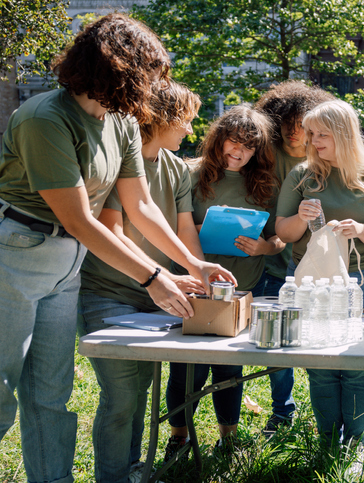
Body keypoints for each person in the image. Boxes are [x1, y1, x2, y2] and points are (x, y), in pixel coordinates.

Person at [0, 14, 235, 483]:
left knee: (50, 393)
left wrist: (192, 262)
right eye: (150, 73)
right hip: (17, 253)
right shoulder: (45, 118)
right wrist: (153, 277)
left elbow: (141, 204)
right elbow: (79, 218)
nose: (155, 85)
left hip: (68, 266)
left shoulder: (123, 121)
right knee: (1, 391)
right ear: (120, 68)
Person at [77, 80, 210, 482]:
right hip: (108, 294)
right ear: (160, 118)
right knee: (122, 398)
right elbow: (112, 230)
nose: (190, 131)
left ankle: (133, 469)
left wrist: (200, 274)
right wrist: (165, 276)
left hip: (157, 298)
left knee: (141, 395)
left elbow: (186, 232)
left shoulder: (176, 168)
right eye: (185, 121)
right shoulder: (118, 162)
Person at [275, 100, 364, 464]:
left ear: (344, 134)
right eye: (311, 134)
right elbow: (283, 232)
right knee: (320, 366)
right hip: (313, 286)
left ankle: (356, 446)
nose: (313, 141)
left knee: (358, 368)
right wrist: (300, 217)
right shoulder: (301, 175)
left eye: (321, 134)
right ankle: (328, 444)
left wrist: (361, 229)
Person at [164, 105, 285, 456]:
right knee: (187, 370)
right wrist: (195, 231)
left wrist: (264, 246)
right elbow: (169, 225)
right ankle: (178, 437)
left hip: (242, 288)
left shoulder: (264, 183)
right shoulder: (190, 174)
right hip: (195, 288)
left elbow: (280, 238)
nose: (239, 151)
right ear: (219, 138)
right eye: (234, 141)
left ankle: (228, 440)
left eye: (249, 146)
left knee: (229, 369)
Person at [252, 81, 335, 437]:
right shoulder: (264, 151)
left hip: (312, 260)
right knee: (276, 343)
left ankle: (329, 419)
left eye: (303, 123)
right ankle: (281, 411)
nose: (295, 130)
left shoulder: (322, 152)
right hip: (269, 255)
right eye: (287, 122)